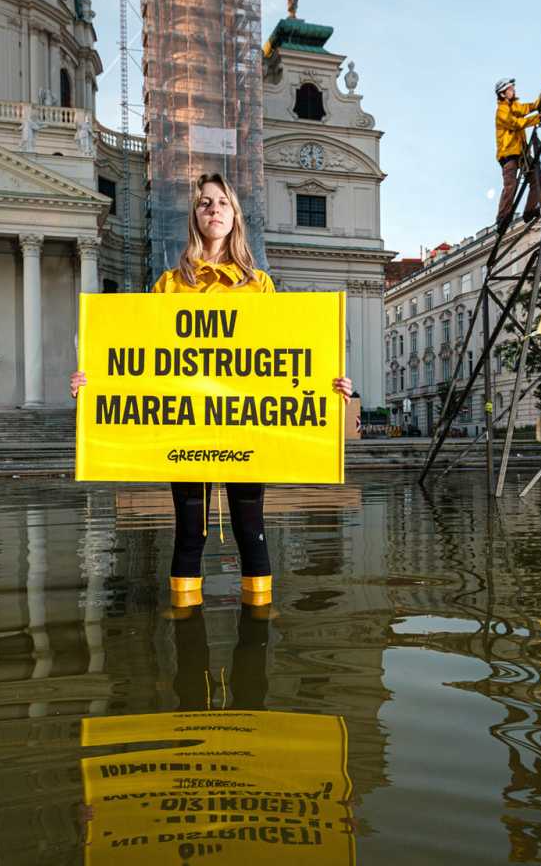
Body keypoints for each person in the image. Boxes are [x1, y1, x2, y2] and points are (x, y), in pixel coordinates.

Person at [70, 173, 351, 610]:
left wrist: (330, 383)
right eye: (205, 203)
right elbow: (144, 358)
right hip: (188, 427)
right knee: (189, 531)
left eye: (222, 202)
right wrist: (94, 385)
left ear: (234, 216)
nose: (213, 209)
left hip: (246, 426)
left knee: (250, 527)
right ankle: (186, 634)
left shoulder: (260, 285)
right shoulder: (169, 285)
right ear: (195, 216)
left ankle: (257, 631)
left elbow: (285, 355)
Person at [494, 77, 541, 224]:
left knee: (538, 178)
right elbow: (516, 124)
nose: (513, 90)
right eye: (509, 89)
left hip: (521, 152)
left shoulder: (515, 107)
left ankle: (529, 210)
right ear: (502, 94)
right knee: (511, 186)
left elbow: (531, 107)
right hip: (509, 155)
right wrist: (537, 119)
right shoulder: (502, 112)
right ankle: (502, 217)